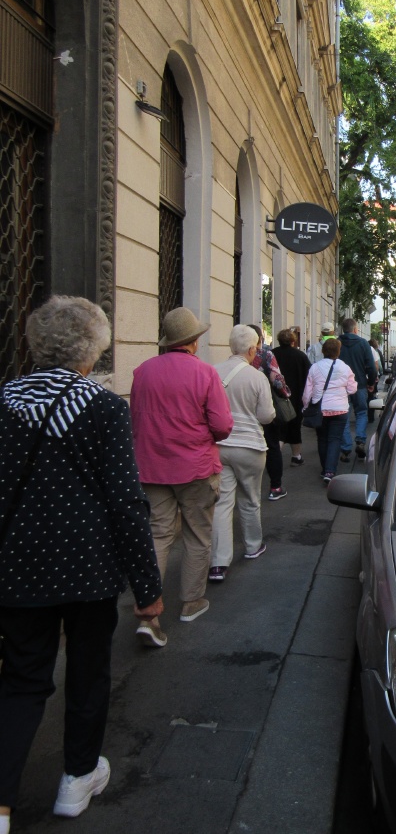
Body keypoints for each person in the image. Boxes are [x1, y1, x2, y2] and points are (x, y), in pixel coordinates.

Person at [0, 296, 162, 832]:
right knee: (89, 673)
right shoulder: (102, 407)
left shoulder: (4, 401)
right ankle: (77, 777)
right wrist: (147, 585)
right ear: (93, 349)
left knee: (22, 680)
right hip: (88, 569)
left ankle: (1, 805)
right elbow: (124, 500)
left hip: (18, 568)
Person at [130, 307, 233, 635]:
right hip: (196, 467)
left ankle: (149, 612)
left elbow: (135, 420)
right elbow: (222, 425)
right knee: (197, 534)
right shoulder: (205, 374)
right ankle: (190, 602)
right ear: (194, 340)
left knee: (158, 534)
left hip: (152, 467)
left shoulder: (142, 372)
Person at [208, 325, 275, 582]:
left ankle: (218, 563)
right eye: (257, 347)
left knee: (222, 502)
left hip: (220, 445)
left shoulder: (213, 372)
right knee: (250, 498)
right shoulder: (257, 377)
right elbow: (266, 416)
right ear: (251, 349)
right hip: (250, 447)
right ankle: (252, 546)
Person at [302, 338, 357, 483]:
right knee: (335, 439)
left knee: (322, 439)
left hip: (321, 409)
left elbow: (308, 391)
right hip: (340, 409)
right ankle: (330, 471)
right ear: (338, 351)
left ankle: (324, 468)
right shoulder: (345, 367)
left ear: (323, 351)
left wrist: (306, 405)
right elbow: (352, 388)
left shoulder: (314, 368)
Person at [248, 324, 291, 501]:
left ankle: (248, 487)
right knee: (272, 446)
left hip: (243, 410)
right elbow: (277, 380)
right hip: (263, 407)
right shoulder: (266, 354)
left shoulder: (235, 357)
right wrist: (286, 393)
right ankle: (275, 487)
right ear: (260, 339)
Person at [338, 318, 377, 461]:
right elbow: (371, 367)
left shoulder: (337, 343)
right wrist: (371, 382)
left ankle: (346, 447)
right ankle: (360, 441)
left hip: (341, 387)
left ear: (343, 329)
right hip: (359, 384)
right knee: (361, 412)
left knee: (344, 415)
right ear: (355, 329)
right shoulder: (363, 344)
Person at [272, 328, 311, 465]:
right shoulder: (301, 356)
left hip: (276, 398)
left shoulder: (272, 354)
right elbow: (309, 377)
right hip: (296, 398)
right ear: (293, 341)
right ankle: (296, 456)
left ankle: (275, 456)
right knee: (295, 428)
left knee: (278, 429)